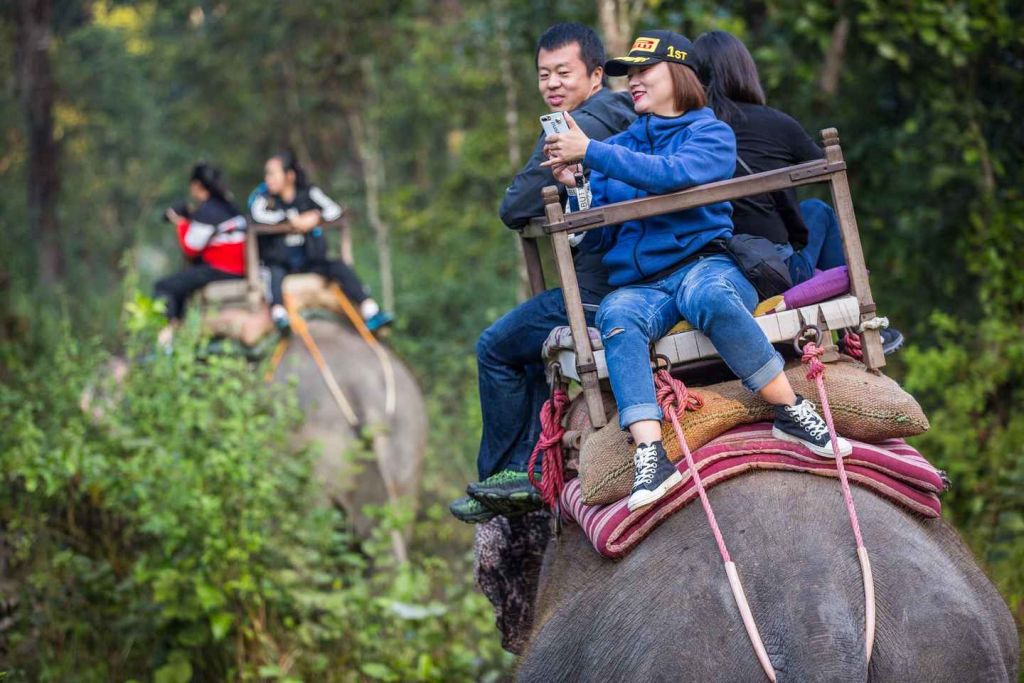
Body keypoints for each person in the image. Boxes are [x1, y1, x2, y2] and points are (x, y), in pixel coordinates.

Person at [543, 30, 853, 512]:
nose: (633, 81)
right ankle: (651, 453)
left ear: (679, 74)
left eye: (644, 70)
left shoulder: (709, 133)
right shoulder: (613, 148)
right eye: (629, 74)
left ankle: (791, 409)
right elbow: (597, 238)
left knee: (710, 296)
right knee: (617, 315)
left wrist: (593, 153)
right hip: (641, 285)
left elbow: (676, 175)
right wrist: (577, 188)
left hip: (705, 263)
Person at [449, 23, 636, 523]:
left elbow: (515, 206)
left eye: (563, 73)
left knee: (495, 347)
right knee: (523, 338)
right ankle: (530, 459)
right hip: (641, 281)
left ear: (595, 75)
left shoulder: (573, 127)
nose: (552, 84)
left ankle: (508, 475)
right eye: (543, 74)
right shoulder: (631, 112)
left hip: (597, 293)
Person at [694, 30, 903, 353]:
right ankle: (856, 328)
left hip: (713, 269)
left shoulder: (689, 134)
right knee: (818, 210)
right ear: (744, 71)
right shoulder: (776, 124)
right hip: (772, 269)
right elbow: (829, 170)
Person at [249, 152, 392, 333]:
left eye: (272, 174)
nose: (268, 179)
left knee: (339, 267)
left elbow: (334, 210)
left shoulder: (309, 193)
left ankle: (370, 310)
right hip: (280, 262)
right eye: (267, 174)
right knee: (273, 273)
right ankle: (279, 315)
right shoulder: (263, 198)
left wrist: (317, 217)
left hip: (310, 260)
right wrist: (290, 219)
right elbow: (256, 215)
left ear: (289, 175)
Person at [154, 163, 247, 340]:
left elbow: (191, 248)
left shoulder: (207, 211)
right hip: (238, 268)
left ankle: (167, 338)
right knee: (181, 283)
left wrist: (181, 224)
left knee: (164, 287)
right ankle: (178, 330)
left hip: (221, 269)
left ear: (197, 186)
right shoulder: (229, 206)